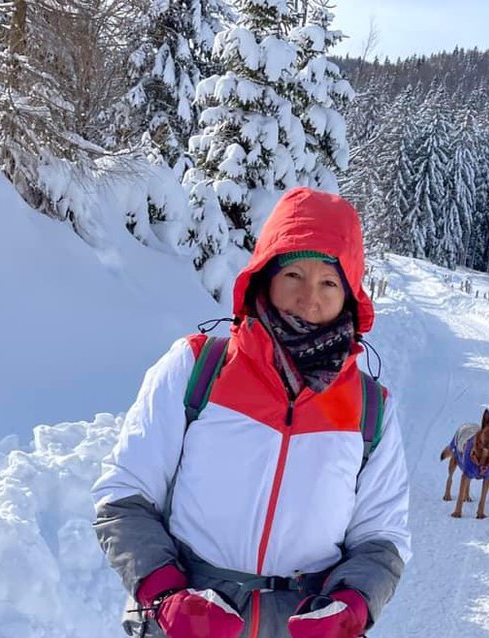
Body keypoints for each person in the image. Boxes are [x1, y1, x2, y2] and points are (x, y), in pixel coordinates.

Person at [92, 187, 411, 638]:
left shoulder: (370, 408)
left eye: (329, 282)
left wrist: (352, 606)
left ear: (350, 294)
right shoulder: (196, 368)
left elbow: (382, 536)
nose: (309, 298)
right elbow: (123, 496)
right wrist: (166, 597)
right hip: (191, 620)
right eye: (294, 275)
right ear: (265, 276)